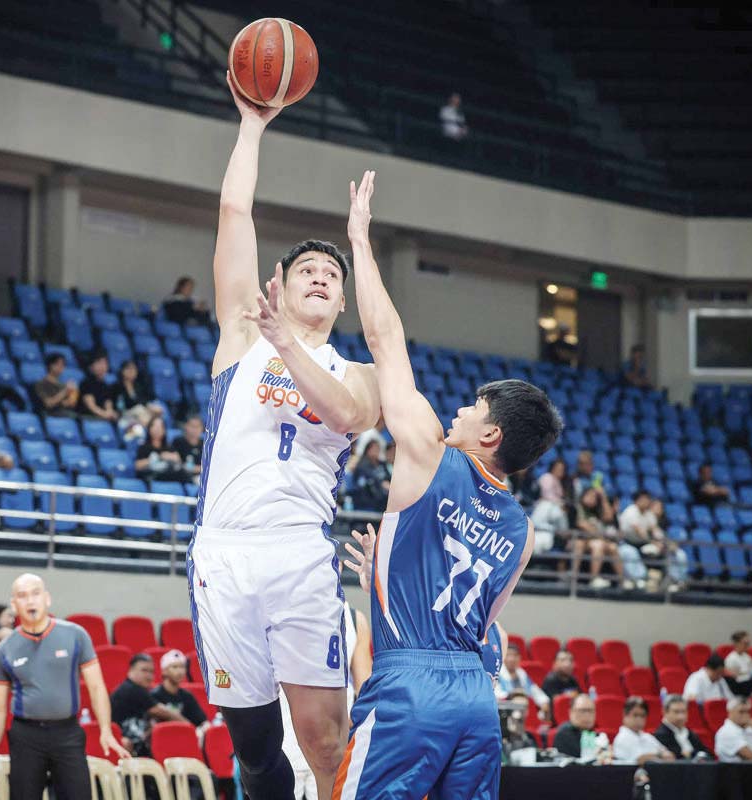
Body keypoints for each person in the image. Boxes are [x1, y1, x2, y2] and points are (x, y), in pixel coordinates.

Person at [332, 171, 560, 799]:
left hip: (411, 684)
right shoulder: (524, 530)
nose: (459, 411)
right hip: (475, 697)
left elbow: (385, 340)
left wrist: (360, 239)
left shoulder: (432, 452)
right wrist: (389, 571)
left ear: (490, 436)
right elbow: (482, 620)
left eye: (473, 408)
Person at [190, 83, 382, 800]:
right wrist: (250, 125)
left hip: (300, 551)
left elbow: (346, 416)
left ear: (339, 301)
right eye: (308, 268)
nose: (320, 277)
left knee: (324, 737)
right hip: (226, 549)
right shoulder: (242, 332)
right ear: (286, 283)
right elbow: (234, 212)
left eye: (332, 276)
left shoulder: (355, 369)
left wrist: (288, 345)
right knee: (256, 746)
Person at [0, 574, 129, 800]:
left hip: (68, 733)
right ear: (14, 605)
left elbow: (97, 687)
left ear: (47, 598)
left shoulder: (75, 635)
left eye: (36, 593)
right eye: (22, 596)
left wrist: (106, 730)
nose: (30, 601)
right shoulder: (4, 649)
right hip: (26, 736)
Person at [279, 601, 372, 800]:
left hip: (333, 752)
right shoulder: (278, 606)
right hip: (283, 747)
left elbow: (366, 694)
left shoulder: (354, 619)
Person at [110, 654, 188, 757]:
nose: (149, 675)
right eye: (144, 670)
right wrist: (188, 727)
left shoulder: (138, 689)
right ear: (130, 671)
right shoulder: (132, 689)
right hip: (124, 747)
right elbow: (163, 712)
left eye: (151, 672)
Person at [617, 490, 687, 589]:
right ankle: (639, 580)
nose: (646, 501)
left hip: (643, 544)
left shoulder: (649, 514)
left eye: (647, 499)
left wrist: (666, 543)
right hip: (628, 543)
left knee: (677, 553)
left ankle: (676, 581)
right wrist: (654, 543)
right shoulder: (630, 512)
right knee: (630, 552)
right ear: (637, 500)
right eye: (643, 499)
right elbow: (640, 532)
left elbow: (655, 531)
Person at [573, 487, 628, 590]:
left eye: (594, 497)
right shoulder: (578, 508)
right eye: (589, 495)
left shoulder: (596, 511)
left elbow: (609, 517)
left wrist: (603, 497)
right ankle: (594, 579)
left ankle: (622, 581)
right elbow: (582, 525)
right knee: (598, 545)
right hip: (580, 540)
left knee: (612, 547)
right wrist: (600, 536)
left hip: (595, 540)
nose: (592, 498)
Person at [151, 651, 209, 737]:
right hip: (165, 738)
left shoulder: (187, 696)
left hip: (186, 738)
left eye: (182, 667)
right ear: (164, 671)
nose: (180, 671)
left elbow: (202, 721)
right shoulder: (154, 695)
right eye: (174, 667)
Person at [114, 360, 163, 443]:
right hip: (126, 413)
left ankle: (146, 431)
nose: (131, 372)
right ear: (122, 371)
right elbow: (120, 404)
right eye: (128, 369)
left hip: (140, 413)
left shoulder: (139, 386)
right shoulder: (117, 386)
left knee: (158, 412)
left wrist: (150, 407)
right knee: (140, 410)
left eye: (134, 369)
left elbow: (145, 399)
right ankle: (146, 430)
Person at [495, 644, 551, 716]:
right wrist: (513, 694)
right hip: (504, 712)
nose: (512, 659)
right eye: (508, 655)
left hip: (524, 708)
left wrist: (544, 702)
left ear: (519, 658)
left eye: (515, 655)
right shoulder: (497, 673)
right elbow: (496, 695)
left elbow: (534, 690)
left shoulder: (522, 673)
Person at [613, 696, 673, 764]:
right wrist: (659, 755)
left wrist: (660, 755)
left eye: (642, 716)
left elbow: (669, 755)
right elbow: (640, 760)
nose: (639, 719)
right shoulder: (622, 738)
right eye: (635, 715)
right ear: (625, 715)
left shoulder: (647, 737)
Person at [552, 694, 610, 763]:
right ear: (571, 712)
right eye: (583, 710)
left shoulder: (597, 735)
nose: (587, 715)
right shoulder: (563, 735)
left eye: (591, 711)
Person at [653, 695, 710, 760]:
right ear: (665, 712)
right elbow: (677, 758)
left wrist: (690, 754)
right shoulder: (660, 735)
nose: (681, 717)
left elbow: (707, 753)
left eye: (683, 711)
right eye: (676, 712)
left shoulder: (689, 732)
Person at [134, 416, 185, 482]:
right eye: (154, 426)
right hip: (153, 475)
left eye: (160, 427)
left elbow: (178, 460)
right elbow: (137, 466)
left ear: (164, 430)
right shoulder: (144, 447)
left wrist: (169, 456)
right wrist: (156, 458)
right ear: (149, 429)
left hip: (168, 474)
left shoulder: (169, 447)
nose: (157, 429)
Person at [34, 353, 81, 419]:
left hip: (65, 412)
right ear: (50, 365)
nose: (61, 367)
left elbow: (67, 403)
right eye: (58, 364)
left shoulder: (63, 384)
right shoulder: (41, 384)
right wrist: (65, 391)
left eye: (63, 365)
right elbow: (49, 404)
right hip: (50, 414)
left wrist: (73, 396)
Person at [350, 440, 392, 512]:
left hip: (382, 499)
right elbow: (370, 476)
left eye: (378, 448)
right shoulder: (362, 464)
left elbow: (389, 477)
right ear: (368, 450)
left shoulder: (382, 464)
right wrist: (382, 483)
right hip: (366, 500)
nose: (377, 451)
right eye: (374, 448)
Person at [78, 351, 118, 422]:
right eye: (99, 363)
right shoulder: (86, 383)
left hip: (102, 417)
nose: (102, 366)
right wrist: (104, 414)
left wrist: (110, 412)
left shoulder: (105, 385)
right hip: (89, 417)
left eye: (105, 363)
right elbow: (91, 406)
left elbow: (108, 402)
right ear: (91, 366)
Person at [723, 630, 752, 698]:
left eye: (748, 643)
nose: (748, 646)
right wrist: (748, 672)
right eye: (745, 643)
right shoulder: (731, 658)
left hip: (750, 683)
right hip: (739, 687)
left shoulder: (747, 656)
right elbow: (734, 677)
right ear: (736, 643)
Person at [171, 415, 204, 481]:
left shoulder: (205, 444)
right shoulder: (178, 442)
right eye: (192, 426)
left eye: (197, 427)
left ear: (202, 428)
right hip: (185, 476)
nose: (195, 429)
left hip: (202, 475)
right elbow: (177, 462)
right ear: (186, 426)